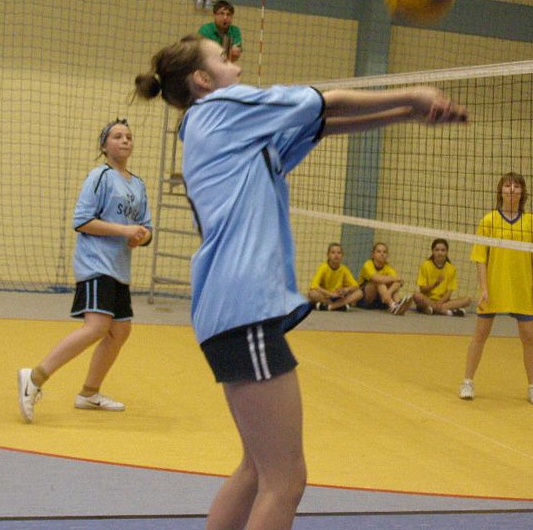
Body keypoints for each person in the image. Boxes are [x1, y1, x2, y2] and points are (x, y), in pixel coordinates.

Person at [133, 34, 466, 530]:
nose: (233, 58)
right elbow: (326, 100)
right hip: (243, 307)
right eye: (221, 56)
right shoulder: (221, 108)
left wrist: (406, 115)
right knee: (285, 480)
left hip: (229, 311)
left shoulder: (229, 133)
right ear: (202, 79)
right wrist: (412, 94)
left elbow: (324, 123)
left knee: (255, 470)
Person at [17, 119, 153, 424]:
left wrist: (141, 236)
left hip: (119, 269)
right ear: (104, 145)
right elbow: (81, 220)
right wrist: (124, 230)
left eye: (129, 136)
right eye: (117, 136)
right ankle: (34, 378)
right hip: (96, 264)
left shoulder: (139, 184)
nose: (125, 140)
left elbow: (147, 227)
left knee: (120, 331)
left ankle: (89, 393)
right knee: (97, 326)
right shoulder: (99, 176)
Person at [459, 172, 533, 406]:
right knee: (480, 334)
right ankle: (467, 381)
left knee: (529, 337)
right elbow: (480, 258)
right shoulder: (489, 220)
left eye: (516, 186)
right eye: (507, 185)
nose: (512, 189)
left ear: (522, 192)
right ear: (500, 191)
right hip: (494, 286)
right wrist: (483, 288)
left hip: (521, 286)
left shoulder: (532, 221)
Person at [411, 238, 471, 316]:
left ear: (447, 252)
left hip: (443, 301)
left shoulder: (451, 268)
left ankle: (432, 309)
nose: (440, 253)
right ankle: (448, 312)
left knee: (467, 300)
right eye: (437, 250)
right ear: (432, 251)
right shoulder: (425, 265)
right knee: (416, 295)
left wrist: (440, 302)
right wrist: (435, 284)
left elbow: (449, 293)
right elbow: (422, 290)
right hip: (428, 300)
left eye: (443, 250)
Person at [357, 242, 412, 315]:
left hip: (381, 299)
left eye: (384, 252)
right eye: (379, 251)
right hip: (365, 299)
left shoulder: (388, 268)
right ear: (372, 255)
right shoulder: (368, 264)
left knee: (393, 284)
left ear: (387, 255)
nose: (382, 254)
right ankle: (392, 304)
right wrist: (393, 279)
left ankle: (398, 304)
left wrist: (388, 293)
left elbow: (399, 282)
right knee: (379, 282)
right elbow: (377, 278)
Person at [307, 243, 363, 311]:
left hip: (339, 296)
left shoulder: (344, 269)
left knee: (359, 293)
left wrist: (346, 290)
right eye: (333, 252)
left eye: (339, 253)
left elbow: (356, 286)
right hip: (326, 296)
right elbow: (314, 285)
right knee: (312, 293)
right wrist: (331, 294)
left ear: (342, 256)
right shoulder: (323, 267)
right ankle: (339, 306)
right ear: (328, 255)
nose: (336, 255)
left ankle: (330, 306)